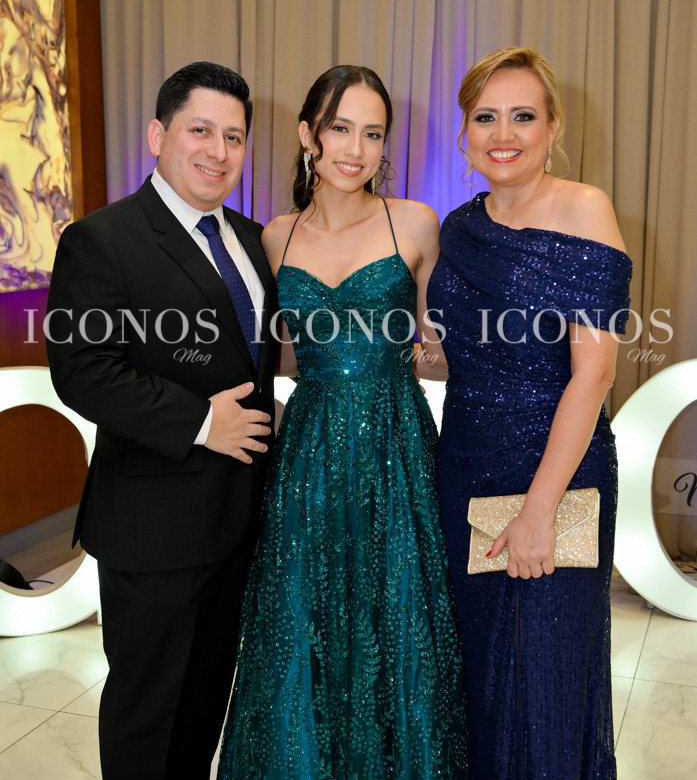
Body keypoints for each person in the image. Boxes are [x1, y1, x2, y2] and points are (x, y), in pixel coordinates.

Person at [217, 65, 468, 779]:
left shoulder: (414, 222)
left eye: (373, 133)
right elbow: (278, 354)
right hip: (310, 449)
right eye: (339, 128)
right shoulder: (274, 237)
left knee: (399, 617)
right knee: (304, 613)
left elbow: (440, 352)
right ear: (308, 135)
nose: (356, 149)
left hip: (396, 444)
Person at [46, 62, 278, 780]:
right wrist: (201, 422)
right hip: (152, 528)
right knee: (147, 717)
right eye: (199, 130)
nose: (218, 150)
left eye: (233, 136)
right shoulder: (101, 238)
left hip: (238, 518)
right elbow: (83, 369)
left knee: (203, 707)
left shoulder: (252, 238)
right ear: (157, 135)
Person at [427, 47, 632, 779]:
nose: (503, 134)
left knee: (547, 676)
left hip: (558, 470)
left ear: (552, 127)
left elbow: (594, 372)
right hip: (465, 466)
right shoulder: (457, 228)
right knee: (481, 677)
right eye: (485, 117)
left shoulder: (584, 208)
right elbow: (456, 353)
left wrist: (539, 509)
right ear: (465, 133)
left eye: (522, 116)